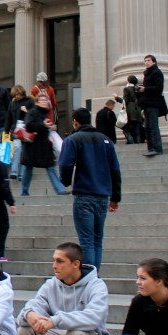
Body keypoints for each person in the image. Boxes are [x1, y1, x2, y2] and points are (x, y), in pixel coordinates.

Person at [58, 107, 121, 273]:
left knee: (86, 240)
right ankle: (95, 276)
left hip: (84, 194)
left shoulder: (73, 139)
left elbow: (65, 164)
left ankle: (89, 278)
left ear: (75, 121)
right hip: (102, 196)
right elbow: (115, 169)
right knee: (97, 239)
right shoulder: (105, 140)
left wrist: (65, 181)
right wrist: (115, 197)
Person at [20, 93, 68, 198]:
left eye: (46, 100)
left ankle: (60, 189)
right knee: (28, 169)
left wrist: (50, 127)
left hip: (44, 146)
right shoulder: (32, 112)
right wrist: (43, 125)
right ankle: (24, 192)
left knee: (51, 167)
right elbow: (28, 126)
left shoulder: (45, 114)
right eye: (42, 100)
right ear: (37, 102)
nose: (45, 102)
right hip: (33, 147)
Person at [137, 54, 166, 157]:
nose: (146, 62)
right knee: (148, 127)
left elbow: (159, 88)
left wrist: (145, 89)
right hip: (147, 104)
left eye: (148, 60)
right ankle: (151, 148)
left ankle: (157, 148)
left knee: (153, 126)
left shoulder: (156, 72)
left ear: (154, 62)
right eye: (145, 61)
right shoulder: (147, 73)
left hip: (154, 104)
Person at [4, 84, 29, 180]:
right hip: (16, 130)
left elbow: (33, 114)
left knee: (24, 151)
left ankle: (22, 174)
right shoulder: (12, 104)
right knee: (18, 147)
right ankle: (14, 171)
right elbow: (8, 118)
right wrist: (6, 131)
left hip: (26, 130)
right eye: (15, 95)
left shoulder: (29, 101)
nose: (17, 97)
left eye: (19, 94)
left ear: (22, 93)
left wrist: (26, 110)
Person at [122, 75, 143, 144]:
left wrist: (117, 98)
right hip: (138, 109)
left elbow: (125, 101)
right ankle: (138, 141)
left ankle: (131, 141)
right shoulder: (138, 89)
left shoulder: (127, 89)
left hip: (131, 110)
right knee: (137, 128)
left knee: (129, 127)